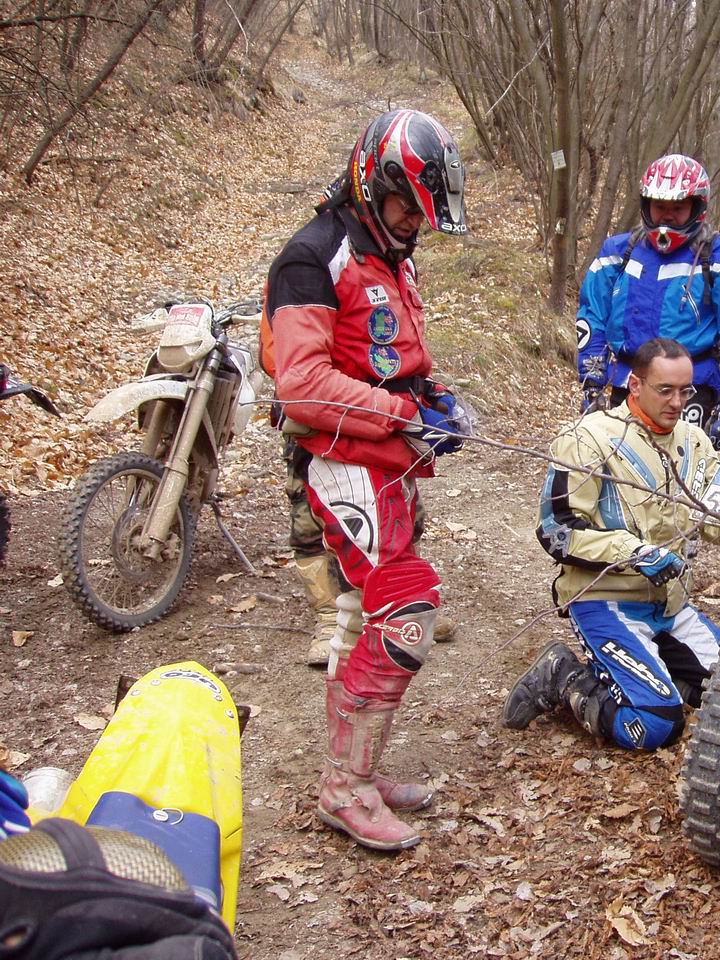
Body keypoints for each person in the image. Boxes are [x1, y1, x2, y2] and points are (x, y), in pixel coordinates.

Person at [266, 108, 469, 850]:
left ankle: (357, 769)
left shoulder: (391, 253)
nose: (415, 221)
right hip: (343, 463)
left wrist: (434, 400)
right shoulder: (311, 257)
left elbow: (392, 357)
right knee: (407, 610)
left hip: (389, 461)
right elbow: (302, 386)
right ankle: (343, 788)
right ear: (371, 180)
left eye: (423, 210)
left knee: (359, 616)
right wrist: (401, 413)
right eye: (405, 204)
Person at [504, 338, 720, 751]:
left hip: (670, 604)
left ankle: (656, 674)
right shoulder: (588, 439)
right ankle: (563, 676)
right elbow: (556, 530)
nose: (677, 402)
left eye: (686, 391)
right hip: (604, 599)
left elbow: (716, 523)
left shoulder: (695, 441)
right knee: (655, 724)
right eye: (665, 390)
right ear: (635, 385)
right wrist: (633, 553)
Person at [575, 155, 720, 450]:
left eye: (677, 208)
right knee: (618, 465)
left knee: (681, 467)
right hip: (629, 383)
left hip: (692, 389)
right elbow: (592, 315)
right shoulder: (617, 252)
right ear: (646, 205)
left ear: (696, 207)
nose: (667, 217)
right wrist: (592, 382)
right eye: (660, 207)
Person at [283, 439, 454, 669]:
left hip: (382, 433)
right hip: (315, 436)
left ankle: (403, 608)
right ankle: (330, 619)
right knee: (309, 525)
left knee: (402, 514)